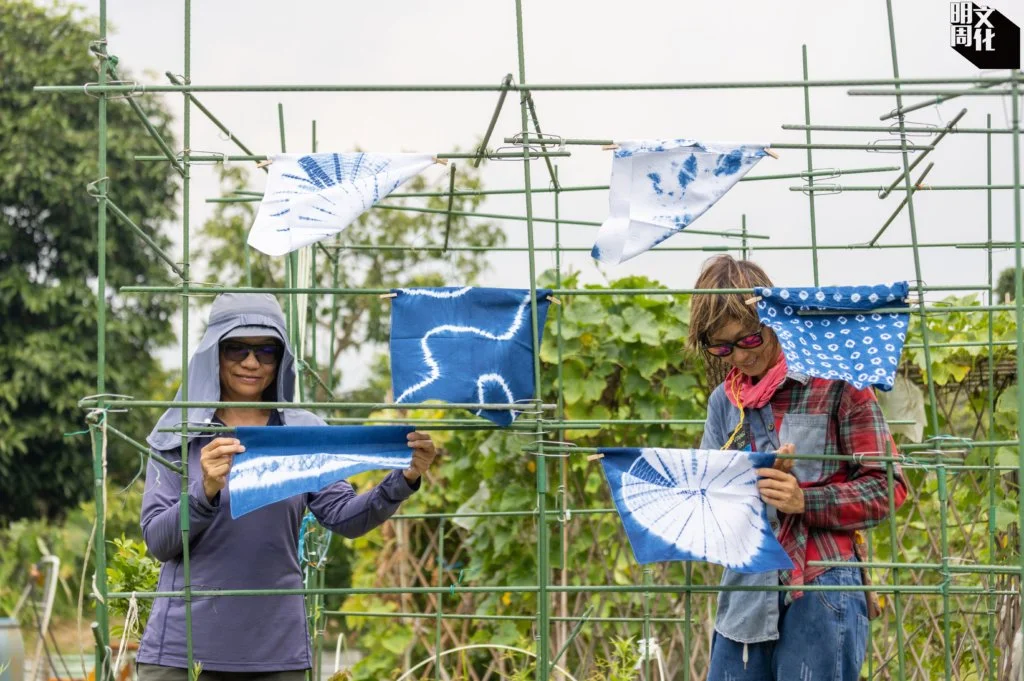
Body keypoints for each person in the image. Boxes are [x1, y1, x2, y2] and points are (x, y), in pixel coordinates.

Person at [136, 293, 437, 681]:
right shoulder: (178, 432)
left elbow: (345, 518)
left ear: (281, 359)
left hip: (276, 656)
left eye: (266, 350)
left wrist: (405, 478)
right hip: (182, 653)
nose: (251, 362)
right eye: (236, 349)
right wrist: (204, 491)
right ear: (214, 352)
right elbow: (159, 543)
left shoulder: (300, 432)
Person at [688, 255, 908, 681]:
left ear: (773, 320)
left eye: (749, 340)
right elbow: (708, 507)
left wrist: (805, 500)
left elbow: (889, 487)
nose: (739, 356)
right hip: (746, 594)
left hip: (822, 585)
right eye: (722, 347)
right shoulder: (723, 402)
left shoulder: (838, 382)